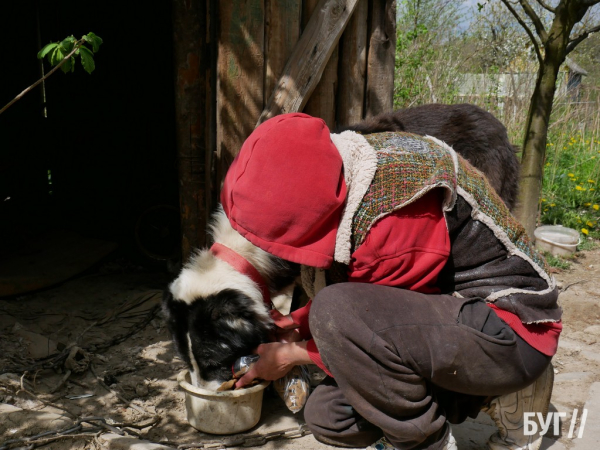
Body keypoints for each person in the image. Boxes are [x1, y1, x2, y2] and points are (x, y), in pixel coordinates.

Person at [225, 113, 561, 450]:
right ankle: (461, 402)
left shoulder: (387, 223)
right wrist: (299, 323)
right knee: (329, 415)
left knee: (336, 311)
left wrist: (290, 355)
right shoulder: (343, 173)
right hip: (451, 324)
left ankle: (467, 417)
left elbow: (371, 331)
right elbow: (381, 314)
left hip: (513, 329)